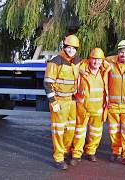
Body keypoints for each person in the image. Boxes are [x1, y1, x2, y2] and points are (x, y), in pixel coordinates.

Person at [43, 34, 81, 170]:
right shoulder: (55, 61)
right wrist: (53, 102)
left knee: (70, 129)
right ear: (64, 47)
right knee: (58, 131)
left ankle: (65, 151)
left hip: (71, 101)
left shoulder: (77, 61)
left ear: (77, 49)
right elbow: (47, 84)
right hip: (59, 101)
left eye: (73, 48)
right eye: (68, 47)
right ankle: (59, 158)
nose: (71, 50)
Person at [70, 48, 110, 165]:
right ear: (89, 59)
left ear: (102, 61)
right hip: (83, 108)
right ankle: (76, 154)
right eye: (94, 59)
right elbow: (72, 64)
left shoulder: (104, 71)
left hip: (98, 108)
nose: (96, 62)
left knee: (96, 132)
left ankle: (91, 152)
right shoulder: (81, 70)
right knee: (79, 132)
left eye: (99, 60)